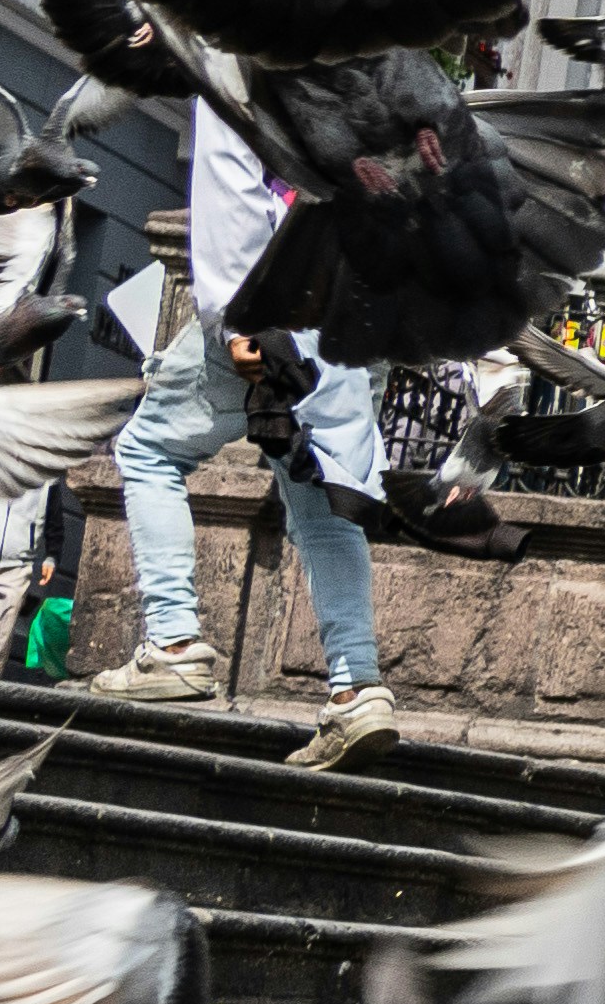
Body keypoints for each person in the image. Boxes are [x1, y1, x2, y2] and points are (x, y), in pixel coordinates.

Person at [98, 110, 395, 767]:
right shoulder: (369, 57)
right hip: (353, 309)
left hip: (270, 300)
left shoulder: (243, 36)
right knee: (324, 498)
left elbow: (230, 174)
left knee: (147, 451)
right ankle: (357, 687)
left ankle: (174, 645)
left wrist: (239, 323)